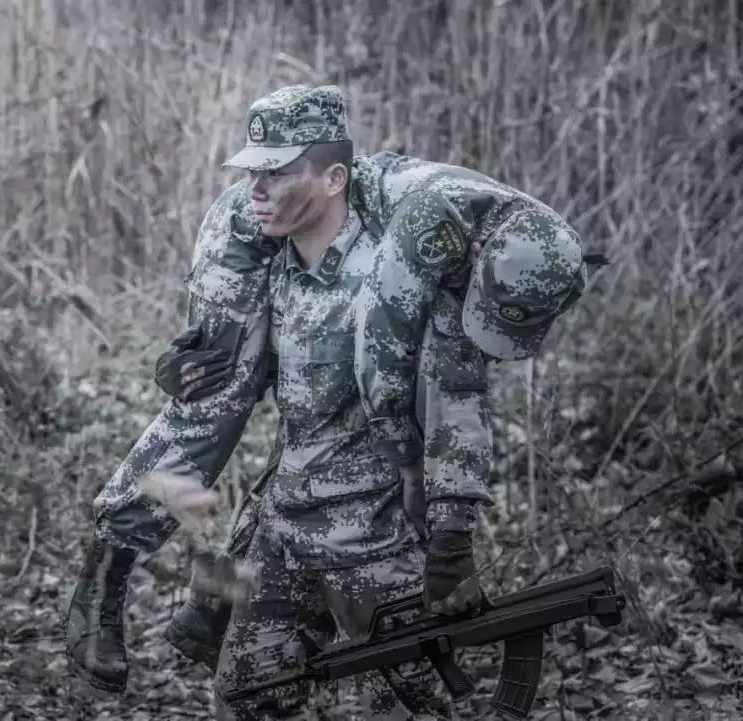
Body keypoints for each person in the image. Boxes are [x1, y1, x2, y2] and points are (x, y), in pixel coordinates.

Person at [66, 86, 589, 716]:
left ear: (335, 178)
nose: (256, 189)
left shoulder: (410, 270)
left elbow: (457, 399)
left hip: (380, 549)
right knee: (244, 698)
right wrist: (191, 354)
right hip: (283, 531)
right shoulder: (263, 260)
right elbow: (217, 397)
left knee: (405, 711)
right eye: (253, 172)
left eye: (278, 173)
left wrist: (451, 539)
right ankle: (106, 577)